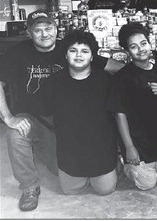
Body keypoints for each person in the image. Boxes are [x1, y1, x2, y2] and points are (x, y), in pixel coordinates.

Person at [0, 10, 123, 211]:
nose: (44, 34)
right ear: (29, 33)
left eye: (48, 28)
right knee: (15, 134)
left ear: (56, 30)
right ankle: (30, 187)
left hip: (68, 124)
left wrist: (145, 72)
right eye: (37, 30)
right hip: (36, 120)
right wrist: (8, 118)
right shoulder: (17, 53)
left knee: (72, 174)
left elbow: (115, 67)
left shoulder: (72, 48)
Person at [38, 30, 118, 195]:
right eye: (73, 51)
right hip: (70, 150)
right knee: (70, 190)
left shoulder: (106, 81)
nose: (78, 55)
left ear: (92, 56)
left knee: (105, 189)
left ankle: (114, 167)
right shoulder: (54, 82)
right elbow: (45, 113)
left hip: (100, 149)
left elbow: (116, 117)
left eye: (85, 51)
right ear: (66, 55)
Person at [107, 22, 157, 191]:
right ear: (127, 52)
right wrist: (129, 148)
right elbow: (119, 114)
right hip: (138, 140)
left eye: (143, 43)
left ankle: (156, 165)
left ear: (150, 44)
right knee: (146, 185)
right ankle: (127, 165)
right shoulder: (122, 77)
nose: (140, 49)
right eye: (134, 46)